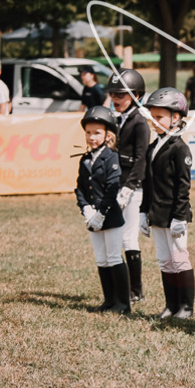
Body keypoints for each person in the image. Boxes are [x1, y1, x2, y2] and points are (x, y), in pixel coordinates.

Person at [139, 88, 195, 319]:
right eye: (152, 116)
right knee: (165, 260)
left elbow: (183, 186)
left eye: (159, 116)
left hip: (174, 214)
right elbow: (147, 183)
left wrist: (180, 216)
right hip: (157, 214)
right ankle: (171, 305)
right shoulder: (153, 147)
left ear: (176, 118)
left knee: (179, 258)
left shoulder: (179, 148)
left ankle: (187, 306)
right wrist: (143, 212)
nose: (154, 121)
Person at [76, 106, 130, 314]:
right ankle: (109, 301)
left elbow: (112, 187)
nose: (91, 137)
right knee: (101, 258)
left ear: (107, 134)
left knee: (114, 257)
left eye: (96, 132)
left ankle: (123, 304)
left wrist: (101, 213)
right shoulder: (85, 159)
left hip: (110, 216)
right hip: (93, 217)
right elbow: (80, 187)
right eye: (88, 132)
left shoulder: (111, 157)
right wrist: (86, 209)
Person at [107, 68, 150, 303]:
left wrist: (130, 187)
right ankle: (122, 288)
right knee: (116, 237)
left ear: (135, 95)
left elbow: (141, 157)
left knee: (129, 238)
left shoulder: (139, 122)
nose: (115, 99)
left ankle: (136, 290)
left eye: (120, 95)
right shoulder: (117, 119)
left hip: (133, 187)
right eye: (113, 94)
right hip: (118, 183)